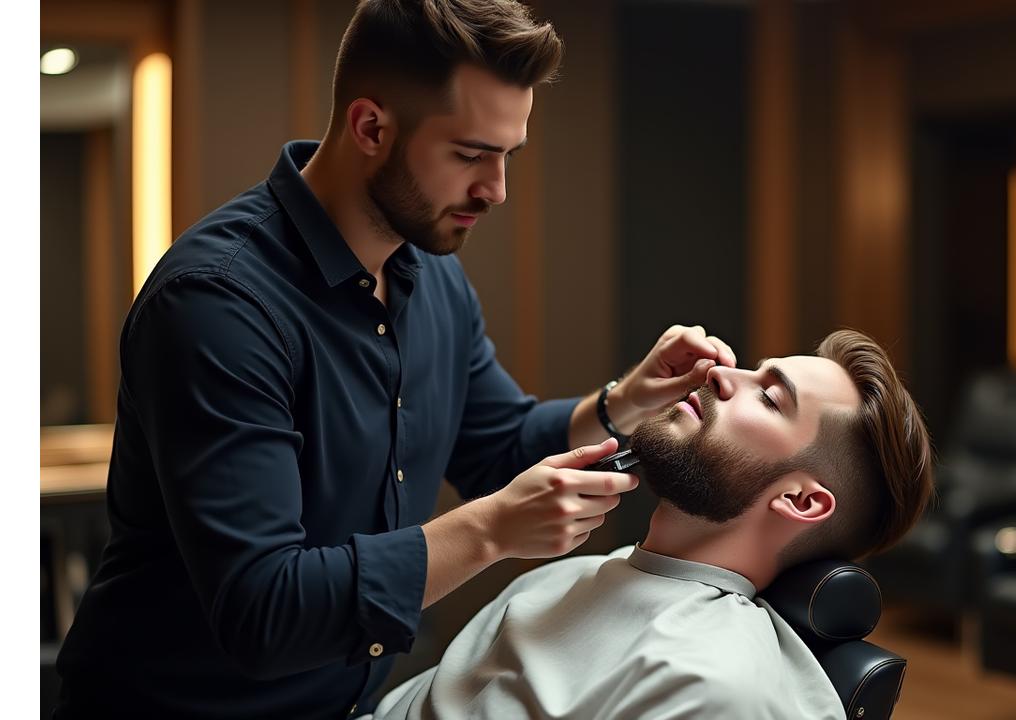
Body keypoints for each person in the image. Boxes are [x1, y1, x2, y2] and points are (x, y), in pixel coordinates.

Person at [53, 2, 737, 717]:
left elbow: (496, 446)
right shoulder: (218, 304)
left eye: (508, 156)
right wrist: (491, 530)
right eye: (471, 155)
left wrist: (621, 403)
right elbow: (263, 610)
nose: (495, 190)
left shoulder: (431, 272)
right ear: (371, 128)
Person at [368, 328, 935, 720]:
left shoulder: (714, 684)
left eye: (768, 397)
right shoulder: (579, 577)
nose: (719, 373)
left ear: (802, 502)